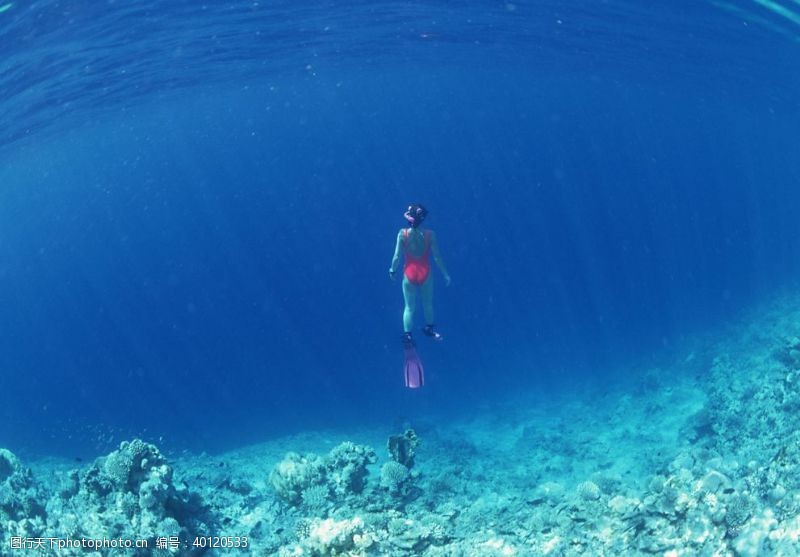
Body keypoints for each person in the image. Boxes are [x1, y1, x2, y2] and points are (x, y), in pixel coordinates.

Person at [389, 203, 451, 347]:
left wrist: (392, 270)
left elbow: (397, 256)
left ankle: (408, 335)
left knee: (409, 307)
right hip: (425, 272)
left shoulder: (402, 234)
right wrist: (445, 274)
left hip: (409, 273)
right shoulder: (430, 235)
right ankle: (429, 328)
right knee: (427, 303)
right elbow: (437, 257)